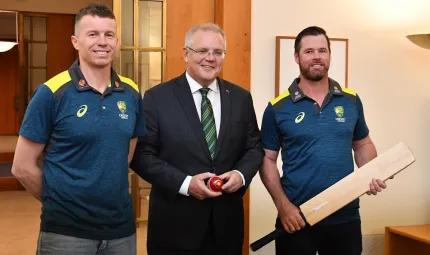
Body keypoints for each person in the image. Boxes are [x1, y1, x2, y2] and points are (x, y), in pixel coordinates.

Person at [11, 3, 146, 255]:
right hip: (66, 233)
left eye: (109, 34)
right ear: (75, 41)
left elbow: (125, 155)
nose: (102, 42)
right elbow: (22, 166)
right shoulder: (51, 92)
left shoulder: (131, 93)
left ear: (117, 41)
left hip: (120, 231)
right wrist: (58, 202)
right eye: (92, 34)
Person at [130, 23, 264, 254]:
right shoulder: (157, 97)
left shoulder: (241, 98)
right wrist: (185, 184)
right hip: (174, 228)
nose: (210, 58)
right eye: (202, 51)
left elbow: (254, 148)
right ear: (185, 53)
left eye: (218, 52)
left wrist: (241, 175)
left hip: (226, 229)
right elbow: (142, 156)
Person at [259, 26, 390, 255]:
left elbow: (362, 144)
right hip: (297, 217)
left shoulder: (351, 100)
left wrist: (370, 172)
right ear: (296, 57)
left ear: (330, 55)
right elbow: (266, 160)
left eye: (322, 50)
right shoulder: (277, 107)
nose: (317, 56)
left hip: (345, 216)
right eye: (309, 51)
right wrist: (283, 207)